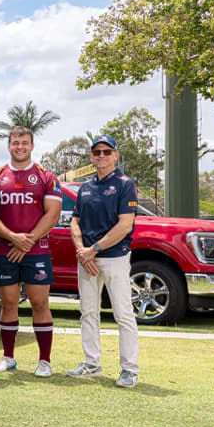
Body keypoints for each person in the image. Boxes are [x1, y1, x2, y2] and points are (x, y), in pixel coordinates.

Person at [66, 134, 140, 388]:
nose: (101, 156)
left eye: (107, 152)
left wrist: (94, 249)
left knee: (123, 314)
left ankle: (129, 369)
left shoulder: (124, 184)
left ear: (116, 155)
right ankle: (92, 363)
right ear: (91, 156)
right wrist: (82, 250)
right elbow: (75, 221)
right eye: (97, 152)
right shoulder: (85, 188)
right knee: (88, 312)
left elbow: (125, 225)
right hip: (87, 261)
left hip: (115, 258)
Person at [0, 126, 63, 377]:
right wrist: (12, 238)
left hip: (37, 251)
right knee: (8, 303)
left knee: (40, 303)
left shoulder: (47, 177)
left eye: (24, 142)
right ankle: (8, 356)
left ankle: (44, 361)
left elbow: (52, 215)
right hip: (5, 250)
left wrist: (28, 241)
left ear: (32, 146)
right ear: (9, 146)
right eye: (15, 143)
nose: (19, 147)